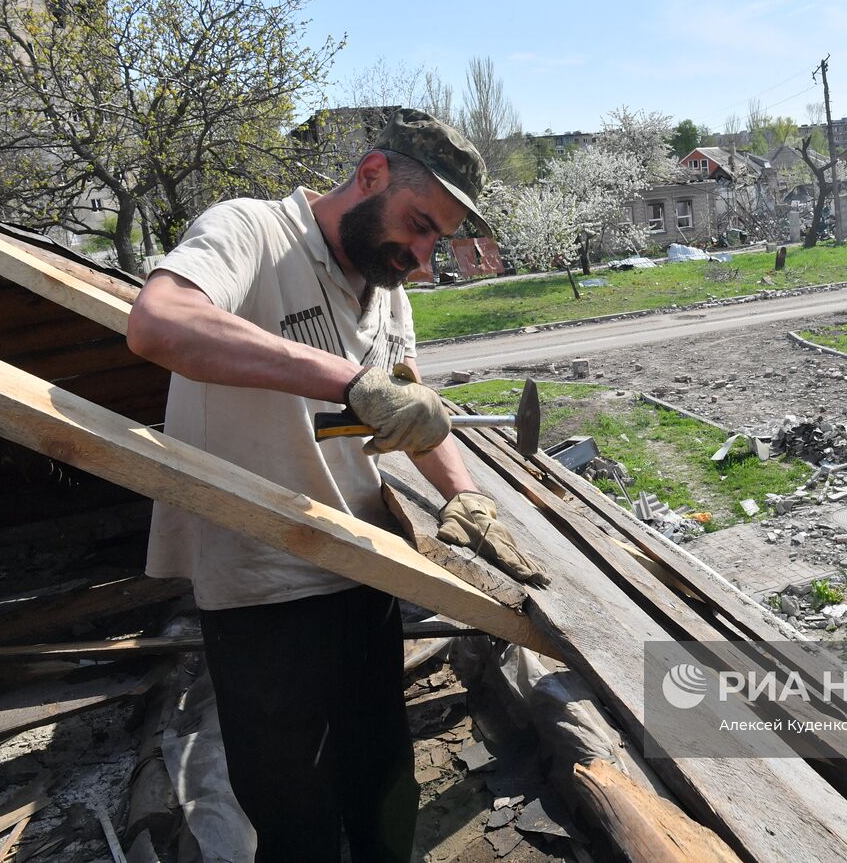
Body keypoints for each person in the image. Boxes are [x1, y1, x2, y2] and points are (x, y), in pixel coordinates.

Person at [127, 108, 548, 862]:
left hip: (362, 567)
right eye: (418, 225)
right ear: (372, 173)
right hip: (260, 582)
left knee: (383, 783)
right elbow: (158, 322)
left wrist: (465, 495)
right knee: (294, 812)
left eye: (436, 241)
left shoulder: (389, 293)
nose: (421, 256)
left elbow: (412, 418)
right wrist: (349, 381)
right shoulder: (252, 232)